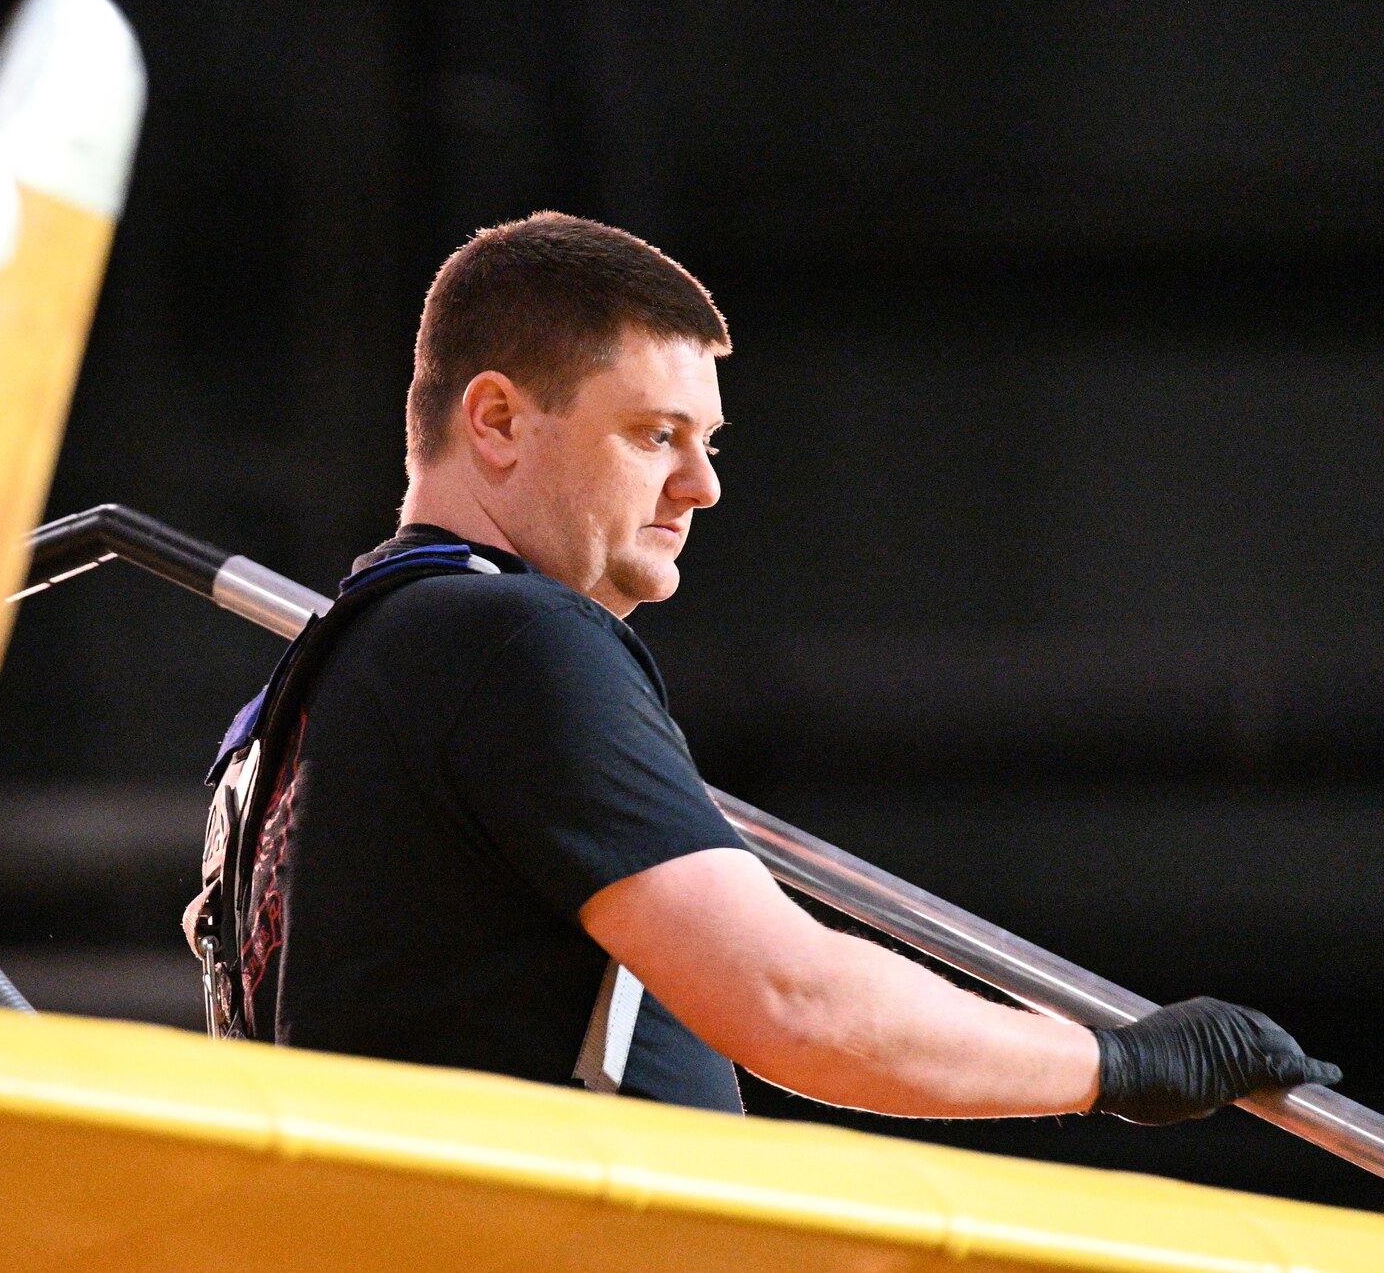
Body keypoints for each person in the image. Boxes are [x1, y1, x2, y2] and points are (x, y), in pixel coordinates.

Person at [229, 210, 1338, 1123]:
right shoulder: (510, 641)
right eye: (655, 434)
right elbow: (791, 999)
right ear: (497, 421)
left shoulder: (299, 707)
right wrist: (1118, 1062)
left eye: (707, 443)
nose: (700, 486)